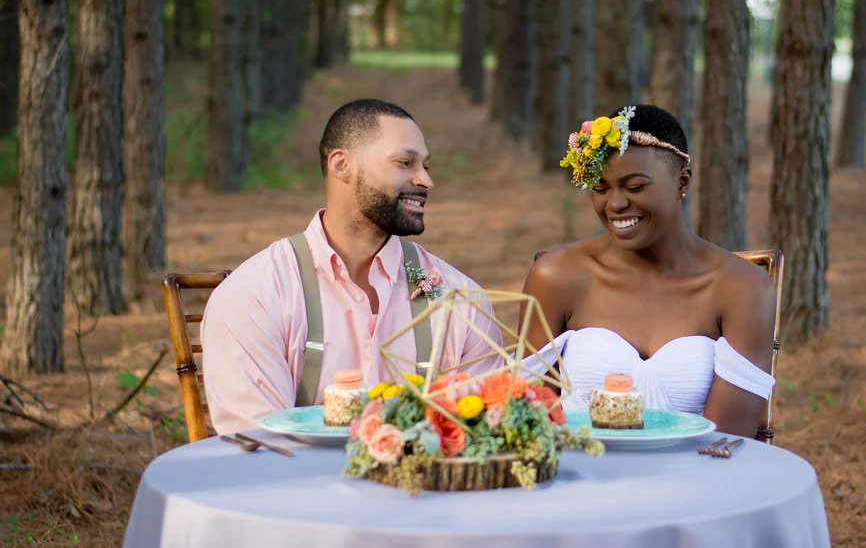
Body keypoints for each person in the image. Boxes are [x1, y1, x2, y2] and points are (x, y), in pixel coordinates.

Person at [202, 99, 503, 435]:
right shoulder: (255, 297)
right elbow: (260, 447)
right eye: (405, 162)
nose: (425, 181)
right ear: (342, 165)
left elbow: (485, 433)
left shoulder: (461, 300)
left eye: (426, 167)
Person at [520, 104, 775, 438]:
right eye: (600, 188)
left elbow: (726, 442)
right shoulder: (555, 277)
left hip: (697, 482)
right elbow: (530, 422)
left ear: (683, 182)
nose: (614, 204)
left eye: (635, 187)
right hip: (579, 480)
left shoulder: (742, 288)